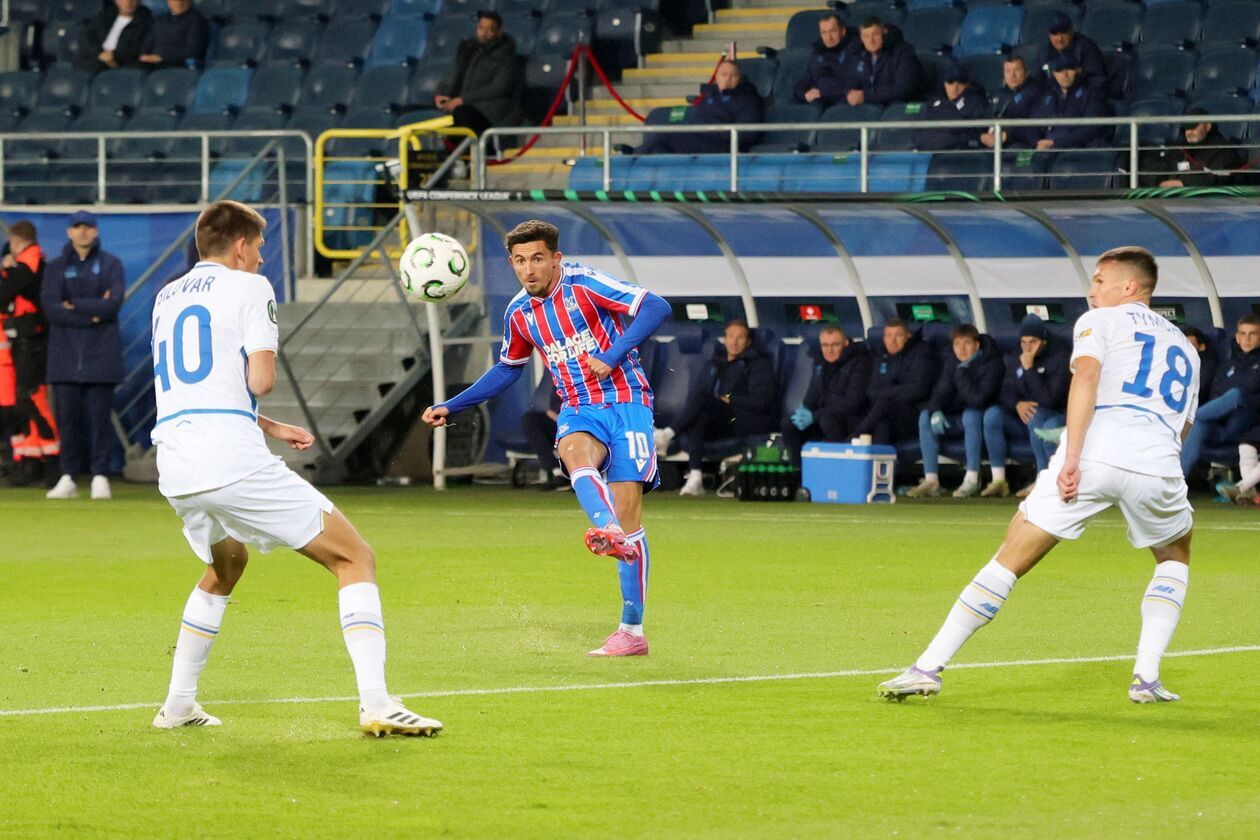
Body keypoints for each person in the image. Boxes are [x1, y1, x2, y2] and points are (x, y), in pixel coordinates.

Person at [148, 200, 440, 736]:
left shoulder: (167, 296)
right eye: (259, 247)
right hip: (230, 461)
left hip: (177, 463)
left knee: (226, 567)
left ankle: (178, 704)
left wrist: (267, 425)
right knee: (354, 557)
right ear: (240, 245)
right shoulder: (251, 287)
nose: (262, 258)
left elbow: (199, 386)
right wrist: (263, 371)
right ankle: (377, 701)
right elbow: (259, 380)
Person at [880, 246, 1199, 704]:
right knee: (1174, 555)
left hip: (1096, 454)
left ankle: (927, 667)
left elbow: (1085, 379)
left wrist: (1071, 457)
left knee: (1011, 554)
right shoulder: (1186, 347)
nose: (1091, 290)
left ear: (1130, 286)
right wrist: (1160, 465)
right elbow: (1184, 424)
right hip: (1159, 462)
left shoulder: (1099, 321)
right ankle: (1146, 677)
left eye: (1099, 280)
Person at [421, 220, 671, 657]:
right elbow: (508, 368)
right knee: (573, 451)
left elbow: (656, 306)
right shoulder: (519, 312)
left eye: (537, 258)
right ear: (511, 264)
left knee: (631, 514)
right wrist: (453, 404)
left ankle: (632, 630)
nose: (529, 269)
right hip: (578, 406)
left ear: (556, 258)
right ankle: (607, 528)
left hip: (628, 400)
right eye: (520, 261)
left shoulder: (585, 285)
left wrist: (611, 355)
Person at [41, 211, 124, 501]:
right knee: (67, 421)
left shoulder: (111, 263)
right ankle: (69, 476)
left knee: (100, 420)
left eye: (87, 227)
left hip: (101, 356)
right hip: (64, 357)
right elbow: (51, 309)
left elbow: (112, 305)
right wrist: (92, 314)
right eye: (77, 227)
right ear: (69, 232)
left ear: (95, 230)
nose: (83, 232)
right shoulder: (56, 267)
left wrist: (73, 305)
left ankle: (100, 476)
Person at [660, 319, 778, 497]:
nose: (734, 342)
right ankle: (695, 476)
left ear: (748, 342)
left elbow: (762, 401)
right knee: (699, 414)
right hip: (716, 421)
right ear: (724, 339)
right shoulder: (714, 363)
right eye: (731, 336)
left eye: (740, 337)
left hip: (742, 420)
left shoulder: (758, 365)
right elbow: (697, 395)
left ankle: (667, 434)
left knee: (702, 400)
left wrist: (731, 399)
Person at [907, 324, 1005, 498]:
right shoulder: (952, 362)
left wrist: (962, 374)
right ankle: (931, 480)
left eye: (966, 343)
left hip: (982, 416)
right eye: (957, 344)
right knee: (925, 417)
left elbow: (977, 400)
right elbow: (939, 392)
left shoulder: (992, 363)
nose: (961, 349)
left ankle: (972, 477)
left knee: (971, 415)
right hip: (958, 417)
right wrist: (936, 410)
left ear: (976, 345)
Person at [983, 314, 1070, 499]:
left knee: (1035, 415)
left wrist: (1030, 370)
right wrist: (1017, 404)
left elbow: (1050, 399)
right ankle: (998, 479)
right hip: (1022, 420)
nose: (1027, 348)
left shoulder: (1060, 357)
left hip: (1056, 415)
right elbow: (1004, 392)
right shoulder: (1017, 357)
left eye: (1033, 342)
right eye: (1023, 342)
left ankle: (1042, 478)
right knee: (993, 415)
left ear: (1043, 341)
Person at [0, 221, 58, 487]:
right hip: (24, 344)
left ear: (16, 241)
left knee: (34, 400)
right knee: (25, 404)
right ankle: (34, 461)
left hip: (32, 344)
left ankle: (53, 463)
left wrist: (8, 272)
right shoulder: (31, 265)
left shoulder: (29, 264)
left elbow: (5, 294)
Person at [1179, 314, 1260, 476]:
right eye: (1243, 334)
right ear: (1237, 337)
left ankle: (1191, 417)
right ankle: (1177, 479)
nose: (1247, 339)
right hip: (1225, 424)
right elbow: (1215, 395)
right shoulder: (1227, 366)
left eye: (1252, 334)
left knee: (1236, 394)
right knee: (1200, 424)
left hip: (1250, 423)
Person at [781, 325, 870, 467]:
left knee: (827, 420)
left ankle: (840, 467)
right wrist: (804, 411)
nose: (829, 350)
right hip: (823, 416)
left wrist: (815, 415)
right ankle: (799, 471)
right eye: (825, 345)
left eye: (835, 345)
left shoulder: (860, 362)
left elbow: (853, 402)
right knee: (789, 424)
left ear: (846, 343)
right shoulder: (820, 363)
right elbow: (812, 395)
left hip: (850, 420)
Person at [637, 60, 763, 155]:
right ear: (716, 78)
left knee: (669, 136)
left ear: (739, 79)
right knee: (660, 147)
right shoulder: (709, 97)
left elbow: (748, 133)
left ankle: (634, 156)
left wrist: (716, 131)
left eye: (733, 75)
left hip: (723, 144)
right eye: (724, 74)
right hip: (700, 137)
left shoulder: (747, 100)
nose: (728, 79)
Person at [433, 11, 525, 137]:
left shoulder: (506, 55)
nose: (483, 33)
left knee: (461, 114)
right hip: (460, 106)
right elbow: (451, 76)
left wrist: (462, 100)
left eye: (490, 30)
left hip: (487, 111)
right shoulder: (468, 50)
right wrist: (440, 94)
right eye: (481, 28)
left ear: (499, 32)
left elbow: (500, 88)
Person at [852, 319, 936, 446]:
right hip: (886, 414)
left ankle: (852, 437)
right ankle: (879, 457)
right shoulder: (881, 357)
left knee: (885, 404)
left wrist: (887, 394)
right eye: (889, 336)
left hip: (914, 416)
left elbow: (918, 389)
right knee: (882, 423)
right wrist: (893, 392)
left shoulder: (922, 354)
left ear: (908, 336)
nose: (893, 340)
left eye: (898, 336)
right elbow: (871, 390)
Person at [1139, 107, 1248, 188]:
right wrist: (1159, 182)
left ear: (1208, 126)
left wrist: (1182, 183)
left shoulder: (1224, 150)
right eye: (1187, 128)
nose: (1189, 132)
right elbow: (1161, 167)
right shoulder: (1180, 149)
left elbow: (1219, 177)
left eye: (1194, 127)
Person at [1026, 52, 1110, 151]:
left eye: (1069, 69)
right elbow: (1032, 125)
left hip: (1071, 150)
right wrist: (1037, 142)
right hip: (1041, 148)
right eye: (1059, 70)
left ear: (1078, 70)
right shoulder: (1047, 95)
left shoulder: (1092, 93)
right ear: (1053, 73)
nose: (1065, 74)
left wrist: (1057, 143)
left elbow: (1092, 129)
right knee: (1019, 157)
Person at [843, 17, 924, 108]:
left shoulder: (903, 52)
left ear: (884, 34)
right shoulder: (860, 55)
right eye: (866, 36)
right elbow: (850, 84)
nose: (871, 40)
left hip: (899, 107)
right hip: (870, 107)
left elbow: (903, 90)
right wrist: (850, 94)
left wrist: (866, 96)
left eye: (875, 34)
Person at [914, 64, 990, 152]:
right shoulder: (934, 103)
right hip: (928, 151)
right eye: (950, 82)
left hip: (960, 153)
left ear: (968, 84)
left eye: (960, 83)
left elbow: (979, 134)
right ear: (945, 84)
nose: (955, 88)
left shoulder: (977, 103)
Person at [793, 13, 858, 109]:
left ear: (843, 31)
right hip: (821, 103)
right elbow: (800, 85)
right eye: (824, 32)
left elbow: (854, 84)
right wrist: (805, 95)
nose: (829, 37)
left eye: (833, 31)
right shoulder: (817, 54)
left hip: (844, 104)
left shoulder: (856, 50)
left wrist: (824, 92)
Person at [1033, 11, 1106, 94]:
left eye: (1063, 32)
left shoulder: (1086, 48)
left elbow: (1098, 80)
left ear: (1071, 32)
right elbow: (1037, 81)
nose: (1060, 39)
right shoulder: (1044, 53)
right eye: (1055, 34)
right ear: (1049, 35)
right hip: (1054, 97)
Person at [980, 55, 1043, 150]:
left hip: (1021, 145)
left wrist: (1006, 135)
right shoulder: (1000, 94)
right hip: (993, 145)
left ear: (1026, 72)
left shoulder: (1036, 93)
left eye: (1017, 70)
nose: (1012, 75)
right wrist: (982, 136)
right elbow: (986, 119)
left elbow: (1034, 128)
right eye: (1008, 71)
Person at [77, 0, 155, 74]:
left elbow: (137, 51)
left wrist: (112, 61)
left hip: (121, 67)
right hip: (96, 59)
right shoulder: (105, 16)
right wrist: (99, 54)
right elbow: (86, 36)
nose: (128, 2)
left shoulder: (146, 22)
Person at [139, 0, 210, 70]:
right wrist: (144, 55)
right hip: (150, 64)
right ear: (168, 2)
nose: (179, 3)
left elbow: (194, 50)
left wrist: (162, 57)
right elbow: (148, 42)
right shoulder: (160, 20)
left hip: (176, 66)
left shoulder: (197, 21)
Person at [520, 385, 567, 490]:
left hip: (582, 423)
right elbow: (551, 410)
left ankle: (574, 475)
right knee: (530, 420)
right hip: (560, 422)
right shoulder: (561, 381)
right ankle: (557, 472)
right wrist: (561, 421)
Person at [1181, 326, 1218, 408]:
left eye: (1190, 346)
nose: (1186, 349)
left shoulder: (1208, 363)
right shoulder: (1182, 361)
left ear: (1202, 347)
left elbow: (1201, 390)